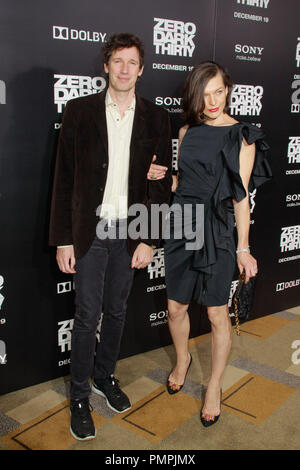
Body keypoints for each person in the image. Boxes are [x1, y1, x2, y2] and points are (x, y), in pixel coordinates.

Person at [49, 33, 172, 440]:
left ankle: (105, 377)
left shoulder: (157, 118)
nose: (123, 69)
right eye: (116, 61)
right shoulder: (78, 111)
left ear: (141, 69)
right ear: (106, 66)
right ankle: (80, 397)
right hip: (90, 230)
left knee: (117, 312)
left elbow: (158, 184)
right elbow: (63, 180)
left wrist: (150, 239)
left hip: (130, 230)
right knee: (87, 317)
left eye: (131, 62)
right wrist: (64, 239)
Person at [163, 61, 272, 427]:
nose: (212, 101)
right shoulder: (186, 132)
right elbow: (183, 182)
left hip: (219, 229)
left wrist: (243, 247)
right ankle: (183, 360)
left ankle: (214, 387)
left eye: (219, 91)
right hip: (182, 224)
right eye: (205, 93)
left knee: (215, 313)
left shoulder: (241, 135)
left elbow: (240, 197)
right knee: (175, 309)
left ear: (228, 89)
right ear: (196, 95)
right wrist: (164, 177)